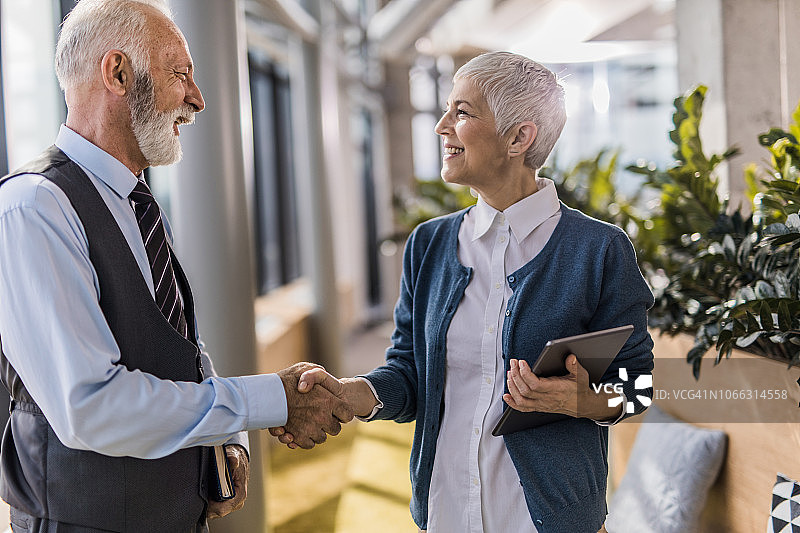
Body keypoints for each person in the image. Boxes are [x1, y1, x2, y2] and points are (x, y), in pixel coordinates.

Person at [0, 1, 352, 531]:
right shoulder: (34, 208)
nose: (198, 99)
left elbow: (175, 344)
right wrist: (269, 399)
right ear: (117, 72)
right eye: (180, 74)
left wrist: (222, 442)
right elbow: (92, 406)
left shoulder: (133, 201)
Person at [271, 52, 654, 533]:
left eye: (463, 112)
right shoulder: (428, 244)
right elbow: (410, 371)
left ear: (519, 137)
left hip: (547, 520)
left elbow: (638, 387)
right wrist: (352, 396)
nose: (441, 126)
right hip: (446, 511)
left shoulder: (598, 250)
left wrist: (579, 400)